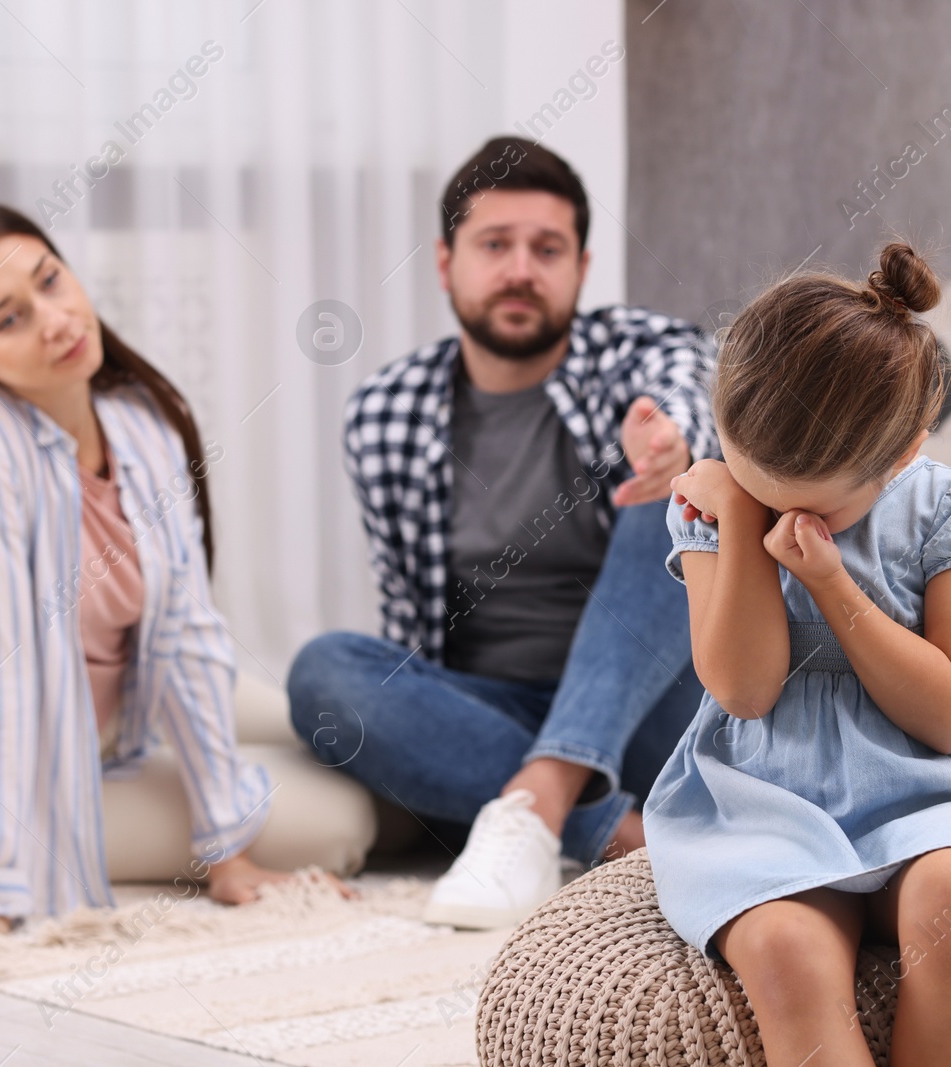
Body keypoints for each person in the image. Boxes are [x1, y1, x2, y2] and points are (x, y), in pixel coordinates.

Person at [0, 203, 375, 955]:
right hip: (29, 770)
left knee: (352, 723)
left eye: (51, 281)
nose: (56, 320)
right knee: (348, 819)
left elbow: (187, 636)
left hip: (132, 708)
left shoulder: (140, 422)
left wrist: (228, 846)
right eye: (10, 318)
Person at [644, 243, 951, 1066]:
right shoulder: (711, 507)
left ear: (901, 456)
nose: (773, 505)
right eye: (753, 476)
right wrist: (737, 521)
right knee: (783, 948)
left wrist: (832, 585)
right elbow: (744, 686)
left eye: (806, 500)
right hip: (767, 801)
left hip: (936, 793)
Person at [288, 137, 717, 928]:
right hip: (490, 714)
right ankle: (601, 825)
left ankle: (538, 802)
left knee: (681, 497)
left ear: (581, 270)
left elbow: (684, 381)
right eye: (496, 245)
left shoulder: (635, 349)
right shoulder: (385, 412)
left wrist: (673, 446)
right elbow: (410, 620)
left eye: (546, 248)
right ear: (447, 262)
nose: (521, 268)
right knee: (324, 672)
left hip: (657, 709)